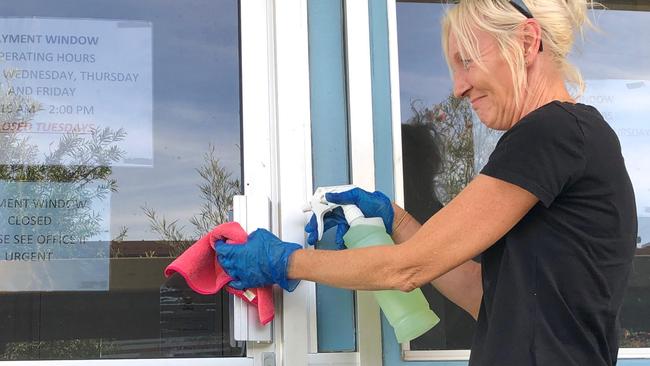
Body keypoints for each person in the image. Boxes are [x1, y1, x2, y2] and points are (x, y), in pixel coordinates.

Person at [216, 0, 638, 364]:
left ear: (527, 42)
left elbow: (408, 268)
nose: (457, 88)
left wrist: (283, 261)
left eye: (467, 60)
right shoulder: (574, 139)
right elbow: (483, 296)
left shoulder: (553, 132)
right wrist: (396, 221)